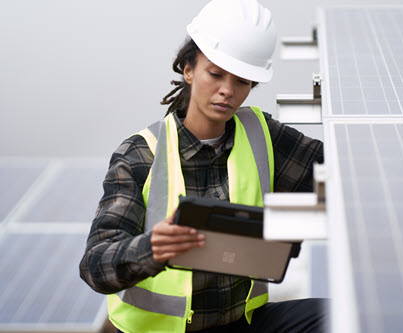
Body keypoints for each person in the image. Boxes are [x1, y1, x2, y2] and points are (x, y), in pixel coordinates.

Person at [80, 0, 327, 332]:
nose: (227, 90)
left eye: (242, 81)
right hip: (166, 330)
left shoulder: (261, 134)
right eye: (215, 74)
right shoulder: (141, 154)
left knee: (334, 317)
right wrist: (151, 248)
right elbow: (95, 265)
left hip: (243, 322)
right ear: (188, 69)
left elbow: (340, 172)